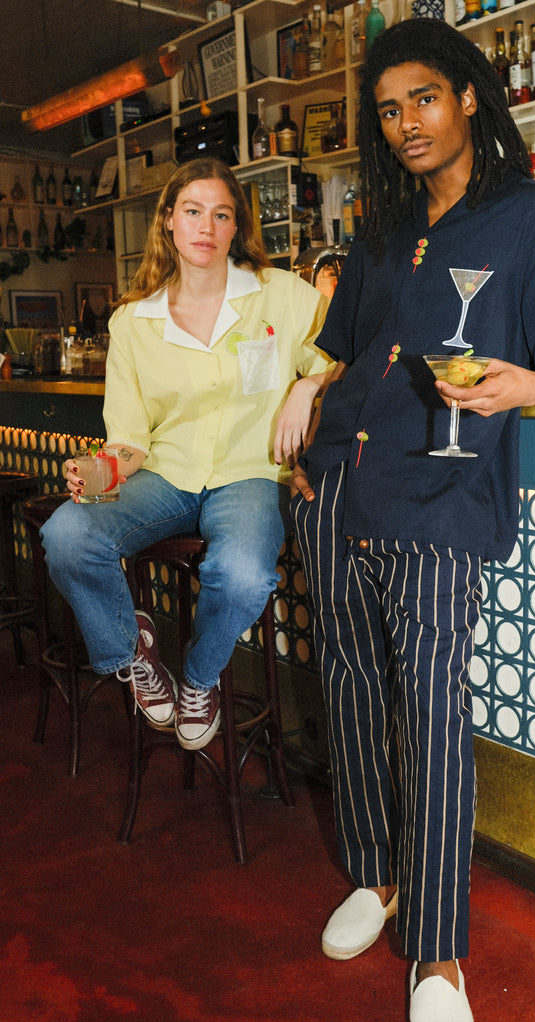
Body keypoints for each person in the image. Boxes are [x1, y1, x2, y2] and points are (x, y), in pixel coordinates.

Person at [289, 19, 535, 1022]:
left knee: (429, 708)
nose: (405, 123)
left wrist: (527, 386)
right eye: (387, 109)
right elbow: (340, 354)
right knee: (344, 681)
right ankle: (374, 877)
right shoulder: (379, 233)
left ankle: (438, 956)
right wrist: (305, 403)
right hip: (336, 482)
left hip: (443, 490)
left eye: (422, 97)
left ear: (469, 95)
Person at [41, 157, 332, 751]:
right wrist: (100, 471)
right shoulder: (132, 322)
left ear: (235, 227)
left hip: (250, 474)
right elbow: (129, 438)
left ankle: (199, 680)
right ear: (169, 220)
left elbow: (342, 354)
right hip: (165, 475)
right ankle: (132, 652)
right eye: (193, 211)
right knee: (66, 536)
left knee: (246, 574)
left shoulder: (280, 294)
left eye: (220, 214)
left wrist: (308, 386)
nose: (206, 226)